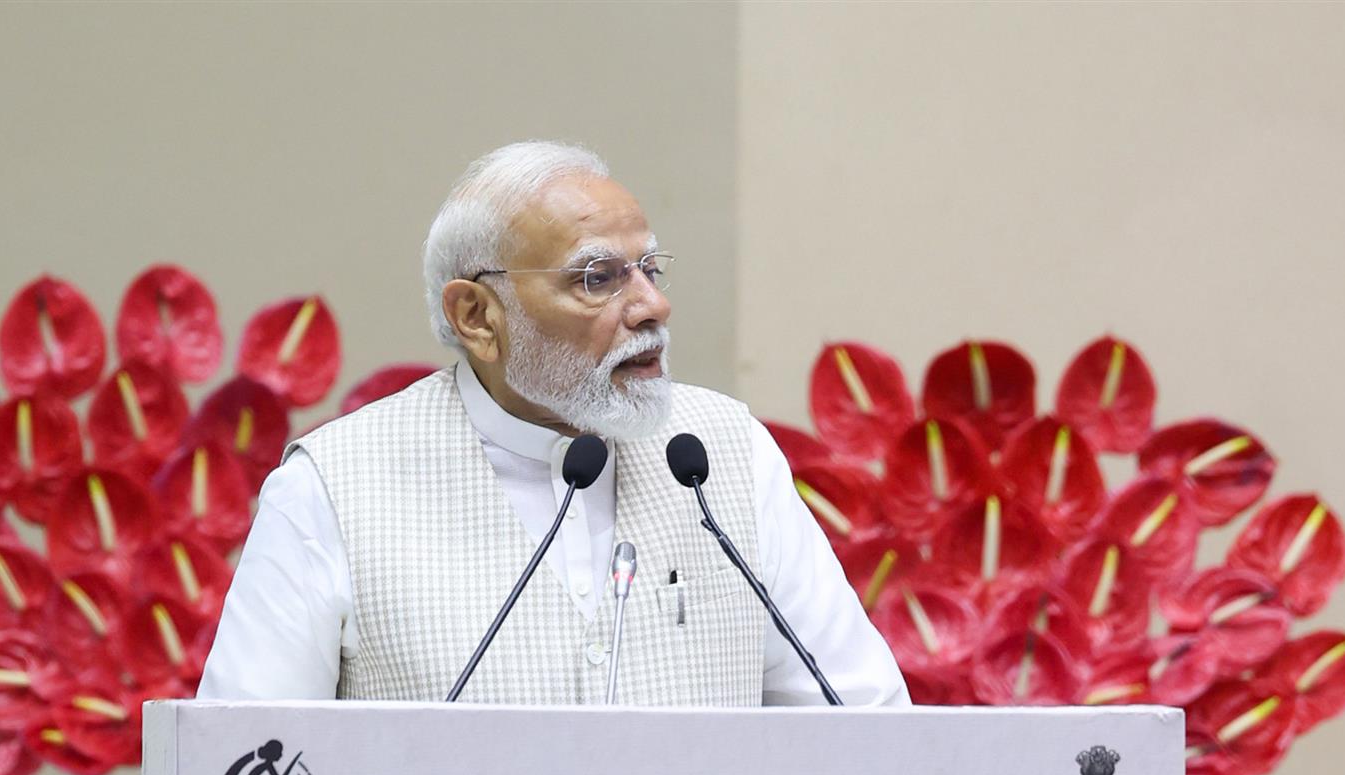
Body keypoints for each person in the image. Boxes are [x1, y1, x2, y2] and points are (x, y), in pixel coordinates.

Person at [197, 141, 907, 707]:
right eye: (597, 278)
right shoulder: (334, 488)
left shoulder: (723, 454)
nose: (652, 306)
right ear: (476, 315)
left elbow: (864, 725)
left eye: (651, 270)